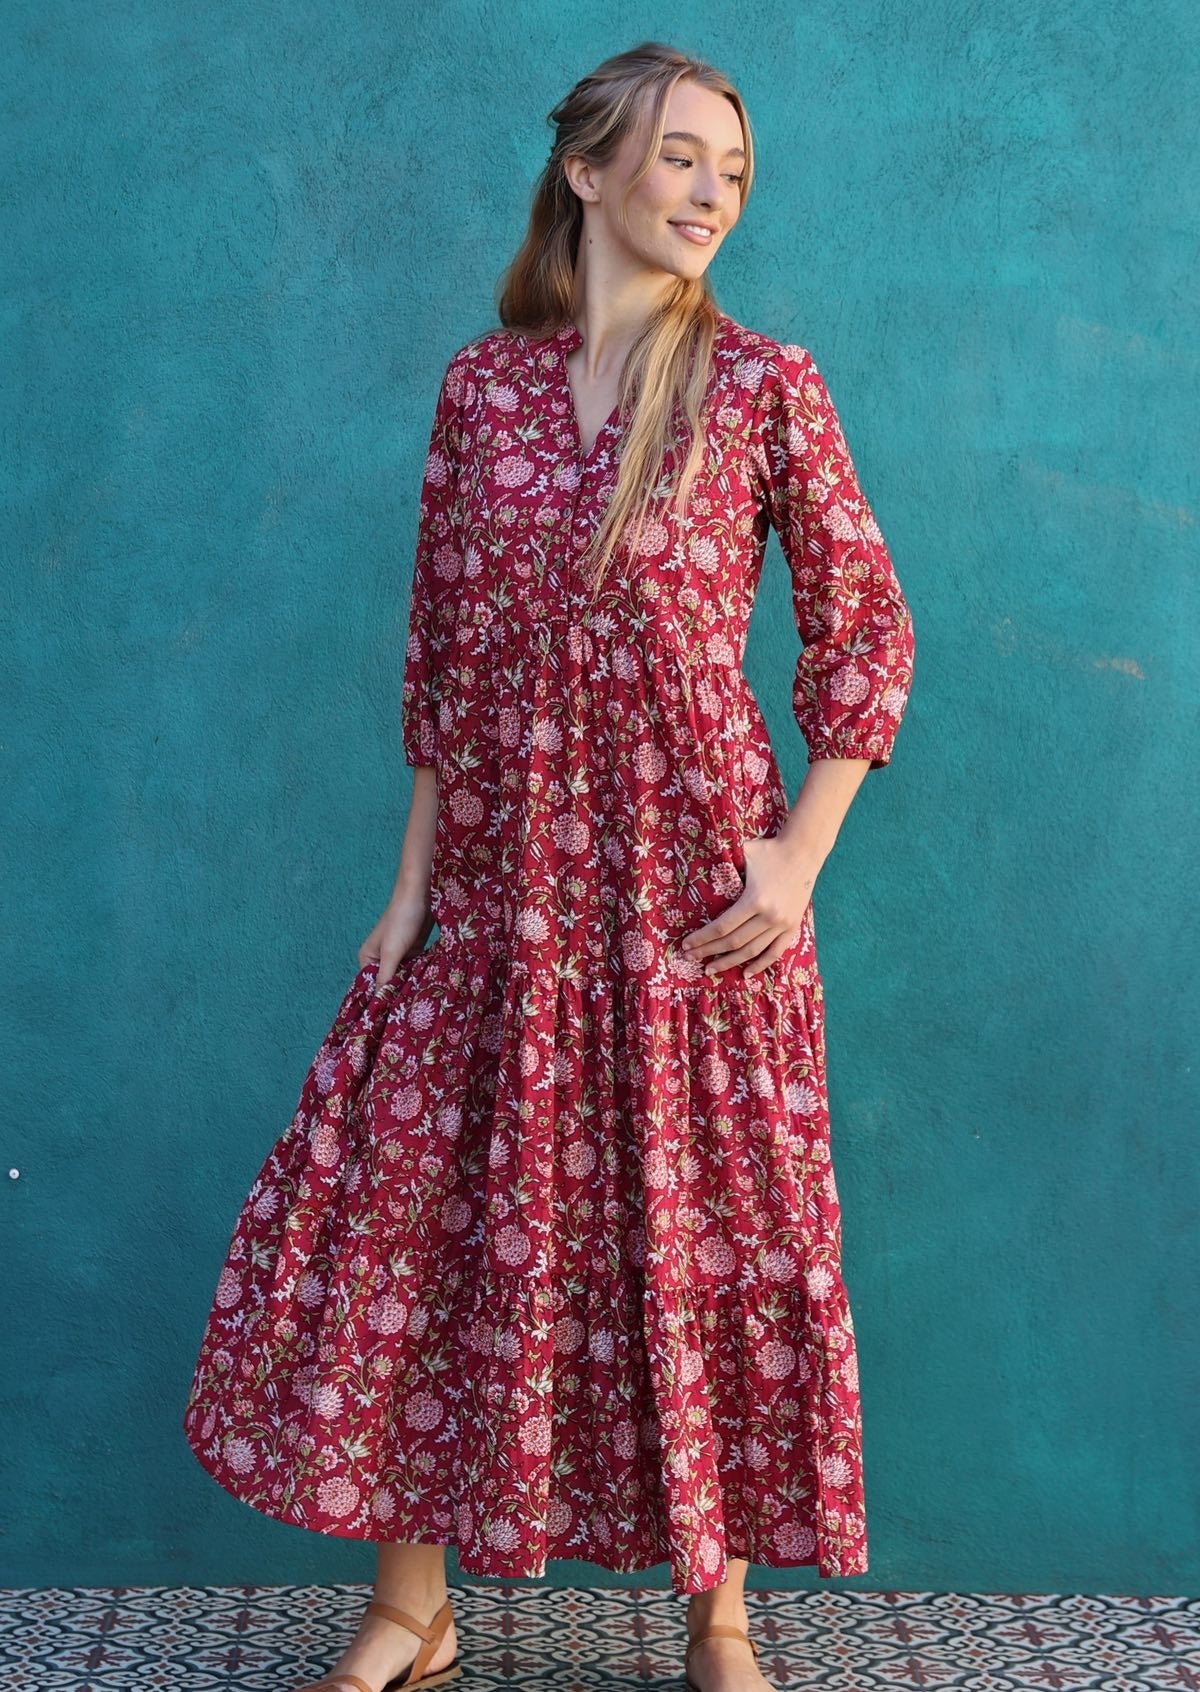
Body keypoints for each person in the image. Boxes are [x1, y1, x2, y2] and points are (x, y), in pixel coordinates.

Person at [182, 40, 916, 1692]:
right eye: (677, 158)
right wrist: (408, 887)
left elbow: (866, 636)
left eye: (732, 166)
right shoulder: (482, 392)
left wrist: (797, 864)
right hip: (500, 898)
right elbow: (441, 662)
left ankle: (720, 1622)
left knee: (709, 1243)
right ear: (586, 172)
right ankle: (411, 1608)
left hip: (689, 912)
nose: (712, 191)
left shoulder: (765, 389)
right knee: (437, 1228)